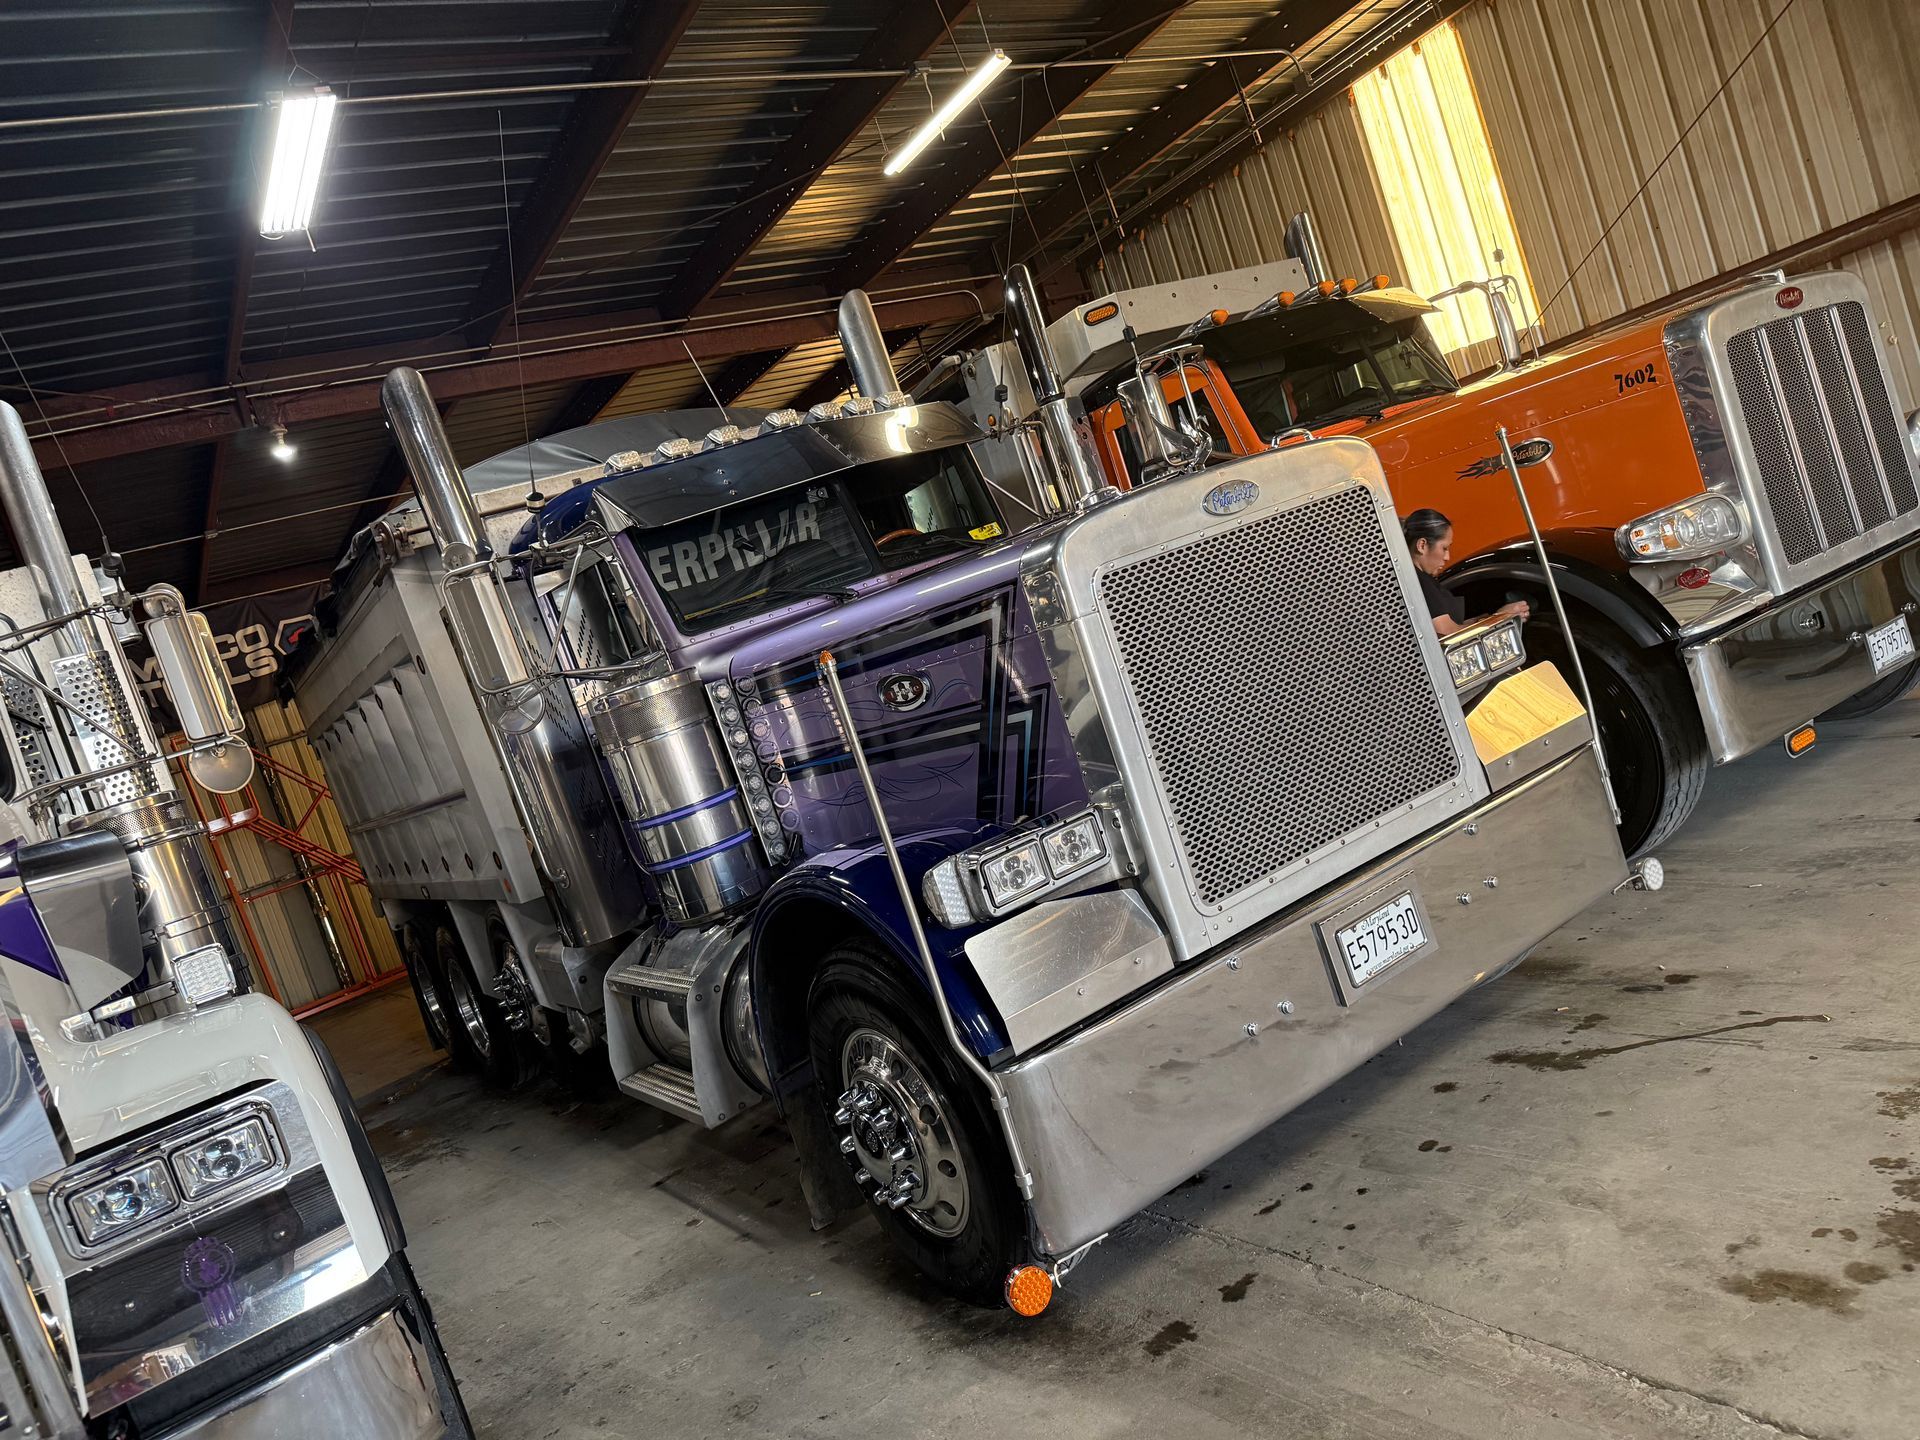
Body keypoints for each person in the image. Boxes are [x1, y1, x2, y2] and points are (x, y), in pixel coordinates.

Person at [1401, 508, 1529, 636]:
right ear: (1422, 545)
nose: (1447, 557)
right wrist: (1500, 618)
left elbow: (1456, 627)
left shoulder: (1420, 579)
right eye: (1444, 548)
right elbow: (1449, 634)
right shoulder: (1420, 582)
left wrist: (1488, 618)